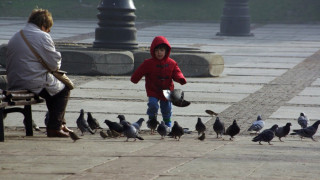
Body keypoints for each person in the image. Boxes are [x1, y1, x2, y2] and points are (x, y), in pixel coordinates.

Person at [6, 8, 72, 137]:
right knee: (63, 90)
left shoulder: (17, 34)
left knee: (53, 88)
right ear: (43, 26)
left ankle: (60, 124)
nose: (49, 31)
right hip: (31, 81)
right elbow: (53, 64)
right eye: (48, 28)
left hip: (15, 80)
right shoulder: (42, 36)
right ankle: (54, 128)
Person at [131, 36, 187, 127]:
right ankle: (152, 119)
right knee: (152, 104)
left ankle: (167, 123)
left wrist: (180, 79)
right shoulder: (148, 63)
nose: (159, 53)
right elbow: (139, 71)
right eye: (156, 50)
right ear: (153, 51)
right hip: (153, 89)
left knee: (167, 108)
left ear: (166, 51)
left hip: (167, 89)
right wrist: (135, 78)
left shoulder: (172, 63)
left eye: (161, 50)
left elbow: (176, 72)